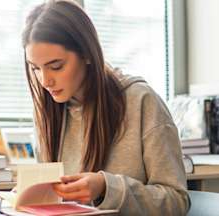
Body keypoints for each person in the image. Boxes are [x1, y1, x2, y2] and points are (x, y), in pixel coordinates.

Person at [21, 0, 190, 215]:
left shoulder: (141, 102)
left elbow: (176, 201)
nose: (45, 81)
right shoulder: (48, 113)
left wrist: (105, 188)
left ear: (88, 54)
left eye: (56, 66)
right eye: (35, 68)